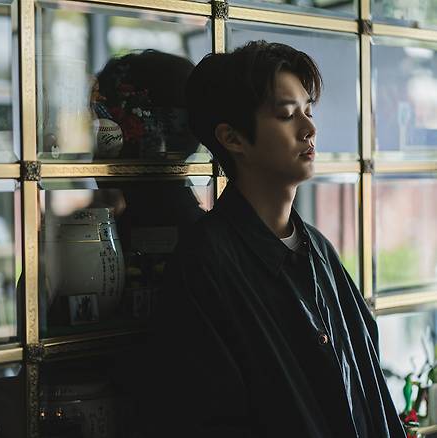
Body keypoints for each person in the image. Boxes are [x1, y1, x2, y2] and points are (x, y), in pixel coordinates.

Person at [141, 41, 405, 437]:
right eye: (286, 115)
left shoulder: (318, 248)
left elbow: (369, 388)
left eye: (308, 111)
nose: (309, 129)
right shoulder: (206, 262)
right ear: (233, 138)